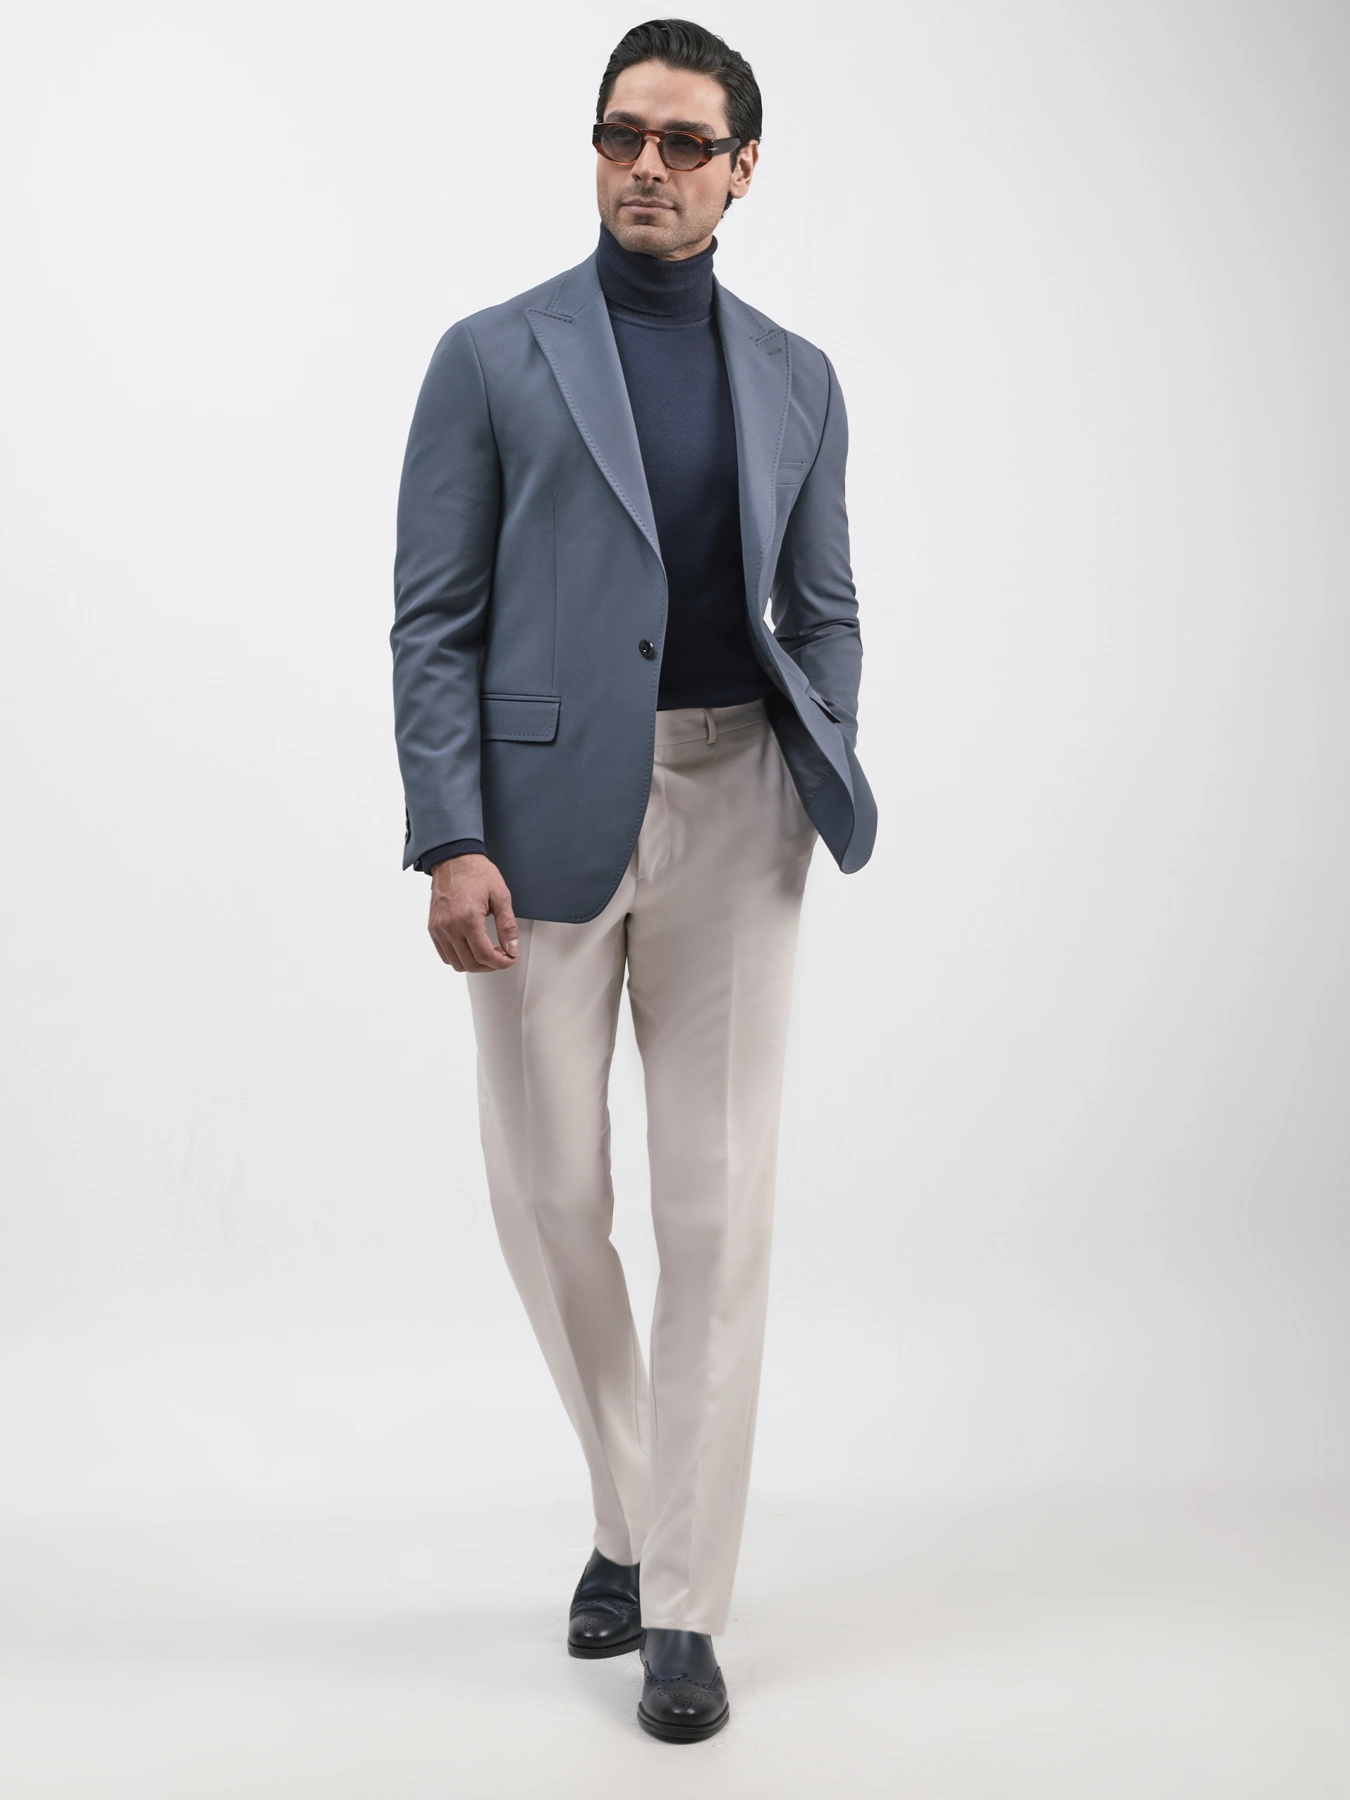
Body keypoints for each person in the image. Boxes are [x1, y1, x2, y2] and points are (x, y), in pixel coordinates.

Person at [390, 16, 875, 1743]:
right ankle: (628, 1503)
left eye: (682, 142)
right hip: (534, 823)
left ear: (743, 169)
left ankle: (679, 1603)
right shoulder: (489, 355)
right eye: (621, 136)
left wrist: (817, 756)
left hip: (741, 805)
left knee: (714, 1213)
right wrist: (449, 831)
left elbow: (825, 603)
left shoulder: (799, 375)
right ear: (594, 151)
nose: (646, 167)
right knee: (548, 1195)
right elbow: (433, 619)